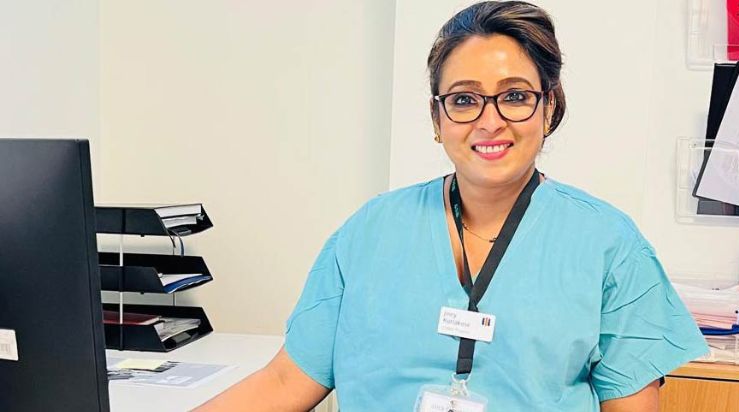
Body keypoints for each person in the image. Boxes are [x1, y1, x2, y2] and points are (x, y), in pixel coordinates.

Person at [197, 2, 708, 411]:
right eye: (464, 99)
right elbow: (287, 381)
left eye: (515, 96)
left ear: (549, 108)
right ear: (437, 118)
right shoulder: (370, 232)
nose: (489, 121)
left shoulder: (608, 246)